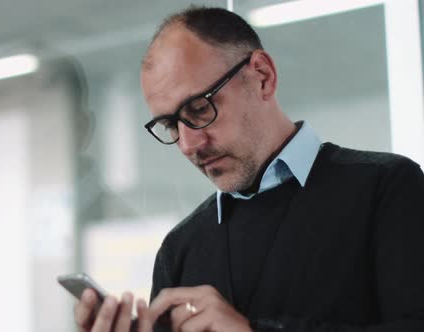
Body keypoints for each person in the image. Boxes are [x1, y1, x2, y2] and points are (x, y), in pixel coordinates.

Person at [74, 6, 424, 332]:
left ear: (262, 76)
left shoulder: (387, 188)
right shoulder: (180, 249)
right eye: (170, 125)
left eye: (199, 109)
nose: (187, 145)